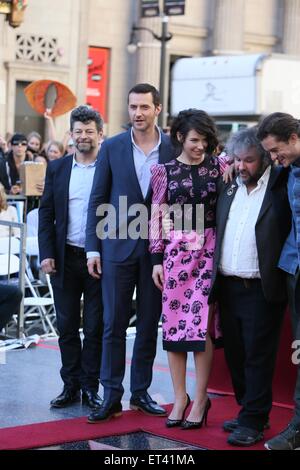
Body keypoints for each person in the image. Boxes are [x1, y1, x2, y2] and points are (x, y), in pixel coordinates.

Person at [85, 83, 176, 423]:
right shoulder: (112, 147)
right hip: (115, 246)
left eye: (144, 107)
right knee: (113, 324)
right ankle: (111, 395)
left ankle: (140, 392)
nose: (137, 113)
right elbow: (98, 198)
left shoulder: (173, 148)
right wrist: (92, 247)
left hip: (157, 252)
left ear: (157, 109)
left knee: (149, 323)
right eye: (133, 106)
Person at [208, 127, 291, 446]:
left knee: (258, 355)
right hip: (228, 286)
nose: (241, 166)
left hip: (261, 287)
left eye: (249, 160)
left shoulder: (282, 185)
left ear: (267, 159)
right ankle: (249, 410)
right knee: (237, 354)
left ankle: (254, 420)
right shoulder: (228, 185)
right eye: (237, 159)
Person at [150, 109, 229, 430]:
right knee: (173, 325)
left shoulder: (221, 166)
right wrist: (156, 259)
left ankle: (200, 398)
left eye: (206, 140)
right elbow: (156, 215)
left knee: (200, 325)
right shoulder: (163, 172)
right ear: (180, 137)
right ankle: (179, 397)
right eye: (195, 140)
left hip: (209, 251)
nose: (201, 146)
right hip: (175, 253)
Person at [38, 105, 104, 409]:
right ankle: (70, 385)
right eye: (78, 131)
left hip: (98, 260)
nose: (83, 136)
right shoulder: (58, 168)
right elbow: (47, 213)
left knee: (94, 327)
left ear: (99, 134)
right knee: (66, 325)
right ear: (71, 135)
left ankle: (91, 387)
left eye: (89, 131)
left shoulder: (108, 167)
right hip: (64, 257)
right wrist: (46, 253)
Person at [257, 112, 300, 450]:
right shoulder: (285, 168)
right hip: (293, 269)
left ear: (294, 139)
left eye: (276, 151)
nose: (273, 159)